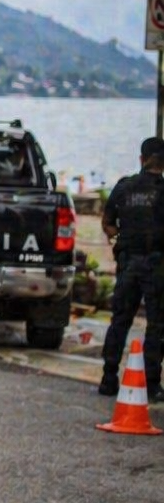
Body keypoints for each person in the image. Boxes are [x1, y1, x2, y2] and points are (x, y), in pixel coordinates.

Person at [99, 136, 164, 401]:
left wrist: (120, 236)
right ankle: (151, 383)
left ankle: (108, 377)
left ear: (141, 159)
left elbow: (107, 223)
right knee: (156, 325)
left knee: (120, 320)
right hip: (157, 265)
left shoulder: (124, 187)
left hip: (128, 263)